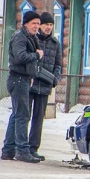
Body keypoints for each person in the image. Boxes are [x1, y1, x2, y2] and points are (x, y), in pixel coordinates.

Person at [1, 10, 44, 163]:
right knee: (22, 116)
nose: (37, 26)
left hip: (23, 79)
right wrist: (37, 55)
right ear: (26, 23)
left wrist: (31, 76)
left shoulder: (30, 37)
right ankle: (22, 151)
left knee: (17, 115)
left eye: (38, 24)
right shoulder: (20, 37)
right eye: (34, 23)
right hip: (18, 80)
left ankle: (8, 150)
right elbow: (20, 57)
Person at [28, 12, 62, 161]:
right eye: (46, 24)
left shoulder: (55, 43)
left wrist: (55, 78)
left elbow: (58, 64)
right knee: (24, 115)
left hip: (45, 85)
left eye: (50, 25)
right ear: (40, 25)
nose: (48, 27)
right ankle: (20, 146)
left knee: (38, 118)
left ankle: (33, 148)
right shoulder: (33, 40)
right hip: (31, 84)